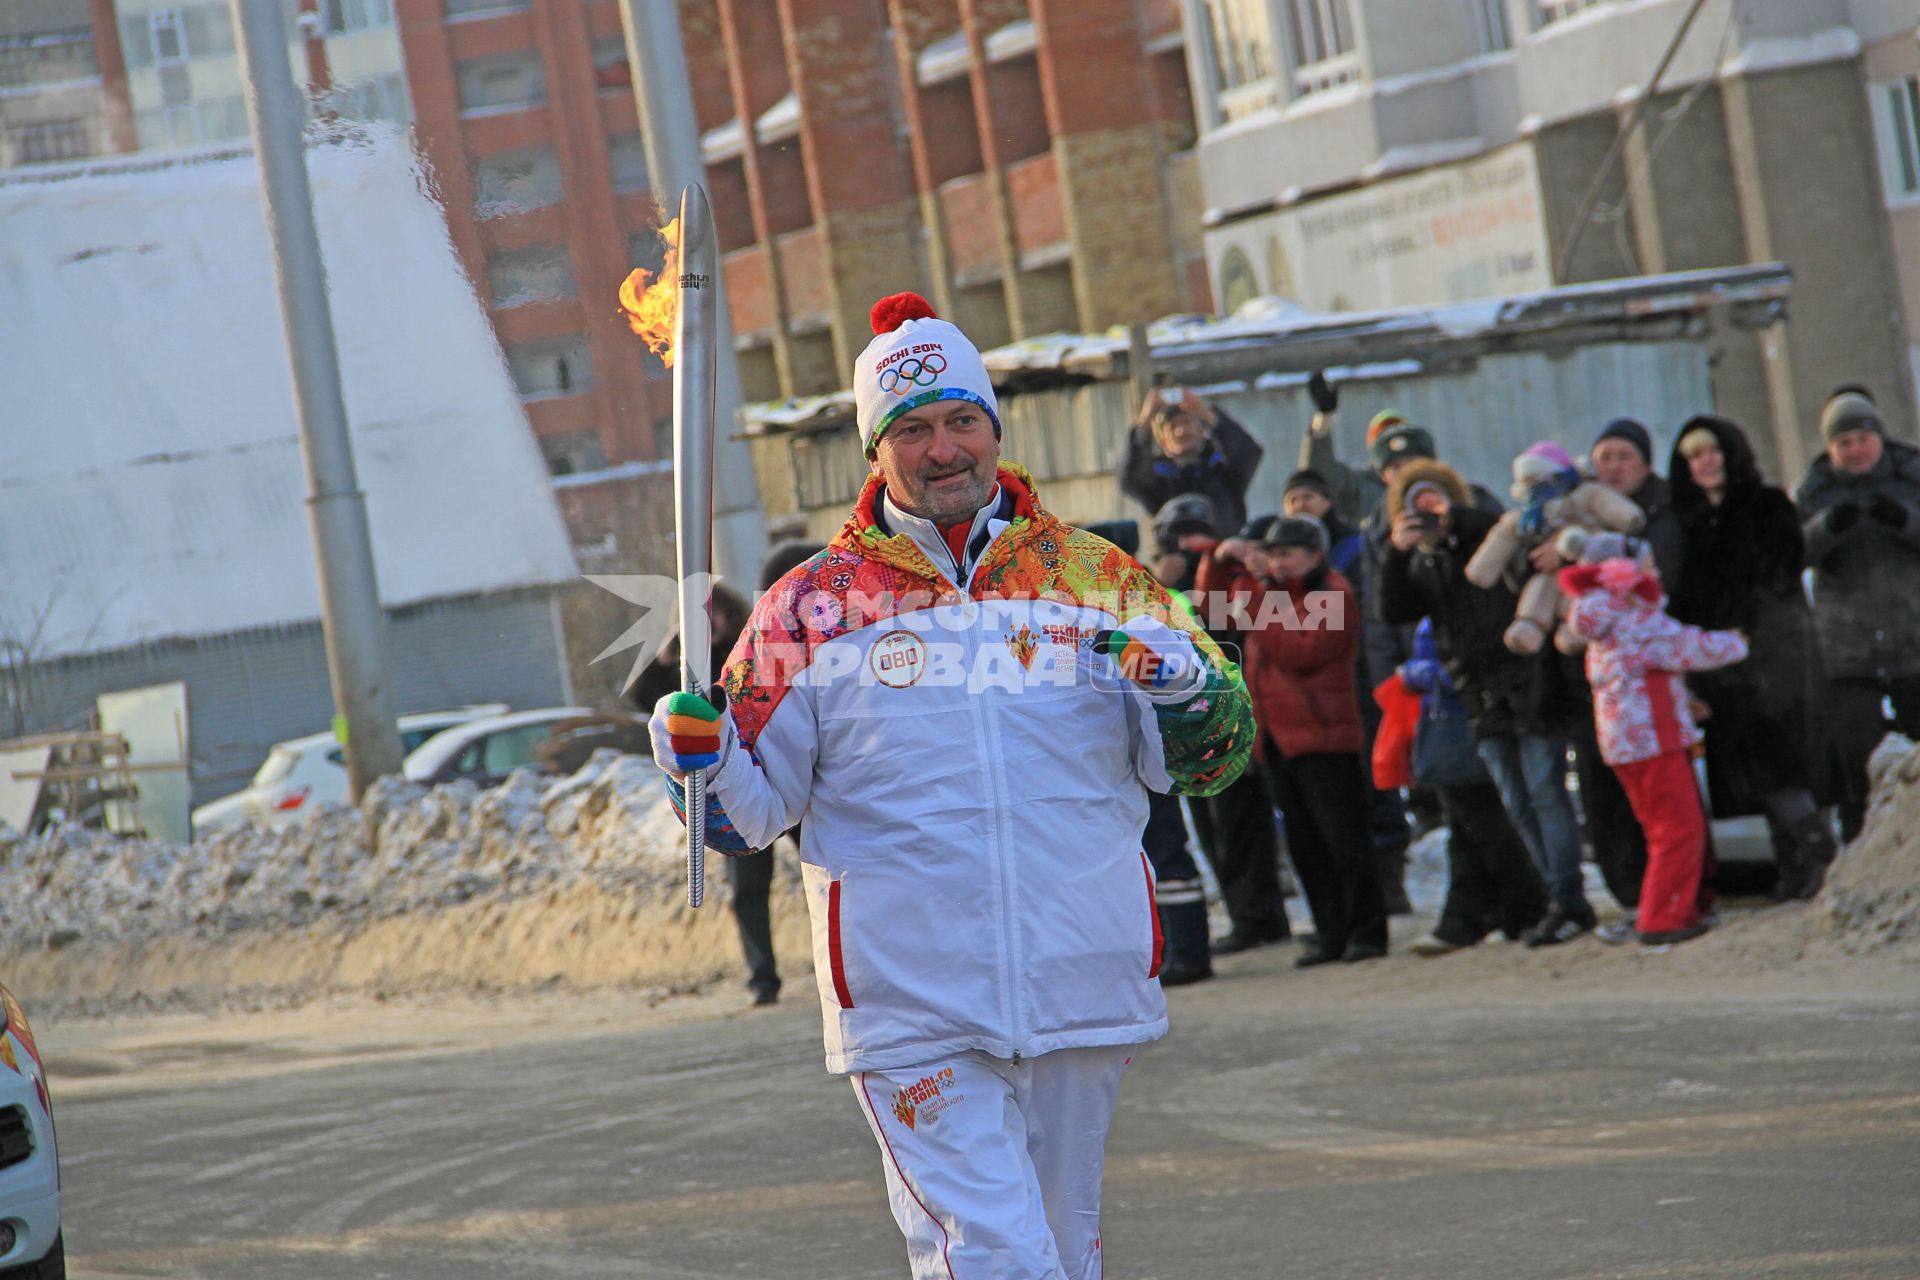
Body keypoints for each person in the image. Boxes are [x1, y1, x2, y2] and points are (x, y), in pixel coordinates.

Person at [647, 291, 1253, 1279]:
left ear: (994, 427)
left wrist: (1192, 689)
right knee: (999, 1254)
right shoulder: (808, 608)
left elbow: (1207, 759)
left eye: (962, 420)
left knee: (1062, 1246)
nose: (943, 449)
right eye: (913, 429)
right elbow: (746, 821)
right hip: (910, 995)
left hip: (1080, 976)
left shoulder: (1097, 577)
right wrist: (695, 760)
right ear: (874, 451)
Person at [1376, 459, 1598, 946]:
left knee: (1546, 792)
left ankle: (1570, 899)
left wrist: (1460, 518)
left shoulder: (1482, 533)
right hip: (1476, 694)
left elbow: (1499, 546)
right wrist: (1397, 552)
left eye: (1436, 498)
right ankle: (1554, 896)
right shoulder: (1420, 560)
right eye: (1418, 504)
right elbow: (1393, 609)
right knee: (1518, 802)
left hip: (1526, 679)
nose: (1430, 511)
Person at [1200, 515, 1388, 965]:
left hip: (1325, 738)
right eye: (1273, 553)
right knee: (1306, 846)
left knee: (1345, 842)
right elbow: (1211, 611)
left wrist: (1258, 591)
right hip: (1280, 739)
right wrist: (1219, 560)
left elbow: (1302, 651)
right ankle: (1330, 933)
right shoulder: (1273, 595)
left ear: (1315, 555)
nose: (1278, 562)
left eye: (1287, 553)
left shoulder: (1333, 593)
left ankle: (1367, 932)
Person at [1668, 415, 1839, 900]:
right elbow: (1685, 598)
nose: (1706, 462)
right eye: (1695, 455)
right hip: (1720, 665)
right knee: (1753, 770)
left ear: (1732, 453)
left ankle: (1817, 858)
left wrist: (1744, 630)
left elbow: (1780, 573)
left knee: (1784, 763)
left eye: (1713, 450)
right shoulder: (1689, 524)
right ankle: (1794, 865)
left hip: (1777, 656)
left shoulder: (1767, 506)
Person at [1560, 546, 1749, 946]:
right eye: (1648, 566)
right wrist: (1741, 641)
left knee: (1660, 828)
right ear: (1626, 580)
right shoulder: (1637, 622)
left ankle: (1665, 909)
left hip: (1626, 743)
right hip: (1653, 740)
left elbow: (1642, 675)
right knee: (1678, 830)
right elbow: (1691, 647)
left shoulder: (1606, 625)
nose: (1657, 572)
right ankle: (1665, 916)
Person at [627, 583, 780, 1005]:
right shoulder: (684, 655)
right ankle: (763, 978)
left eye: (711, 612)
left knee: (825, 861)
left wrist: (722, 639)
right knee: (746, 886)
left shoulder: (750, 637)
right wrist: (672, 650)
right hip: (733, 782)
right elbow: (644, 696)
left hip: (779, 769)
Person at [1284, 467, 1415, 913]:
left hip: (1361, 681)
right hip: (1321, 700)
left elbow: (1332, 625)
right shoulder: (1282, 575)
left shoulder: (1351, 553)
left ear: (1328, 500)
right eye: (1293, 499)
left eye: (1308, 496)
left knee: (1378, 784)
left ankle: (1389, 883)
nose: (1300, 505)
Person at [1793, 390, 1920, 840]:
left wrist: (1903, 519)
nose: (1855, 449)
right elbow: (1793, 554)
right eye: (1844, 442)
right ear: (1831, 449)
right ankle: (1861, 844)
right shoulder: (1814, 491)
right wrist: (1830, 526)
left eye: (1863, 437)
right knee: (1857, 760)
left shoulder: (1911, 476)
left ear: (1879, 437)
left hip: (1913, 643)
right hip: (1847, 651)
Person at [1399, 619, 1549, 956]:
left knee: (1483, 825)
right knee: (1470, 827)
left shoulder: (1461, 602)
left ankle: (1509, 911)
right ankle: (1485, 916)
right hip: (1452, 725)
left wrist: (1419, 674)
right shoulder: (1432, 602)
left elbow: (1474, 664)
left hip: (1469, 723)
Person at [1119, 385, 1265, 538]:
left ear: (1203, 432)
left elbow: (1247, 453)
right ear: (1162, 442)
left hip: (1224, 556)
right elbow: (1131, 478)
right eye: (1172, 427)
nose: (1181, 431)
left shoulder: (1222, 471)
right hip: (1178, 559)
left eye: (1186, 422)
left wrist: (1209, 415)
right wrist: (1144, 422)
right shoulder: (1158, 480)